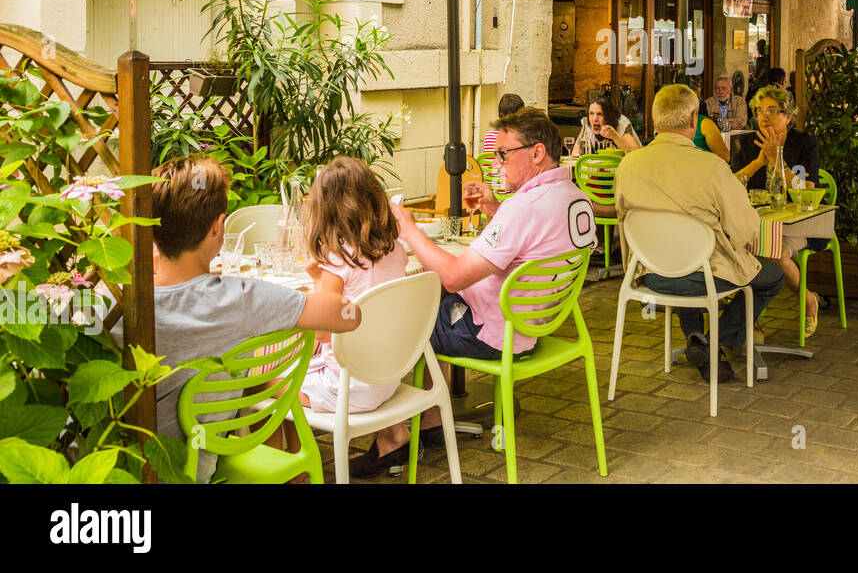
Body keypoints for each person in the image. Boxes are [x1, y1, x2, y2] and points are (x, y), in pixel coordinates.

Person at [383, 108, 596, 474]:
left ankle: (392, 439)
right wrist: (495, 209)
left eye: (503, 154)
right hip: (537, 322)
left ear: (536, 153)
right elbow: (535, 243)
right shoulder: (575, 197)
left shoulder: (524, 208)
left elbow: (452, 276)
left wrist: (409, 229)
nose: (497, 163)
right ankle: (434, 420)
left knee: (396, 314)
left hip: (494, 335)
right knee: (432, 298)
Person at [151, 157, 359, 481]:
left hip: (117, 468)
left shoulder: (117, 305)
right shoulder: (247, 298)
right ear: (218, 227)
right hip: (197, 469)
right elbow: (349, 316)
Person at [615, 85, 784, 381]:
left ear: (655, 120)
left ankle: (696, 338)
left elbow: (622, 218)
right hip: (702, 277)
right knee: (771, 276)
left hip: (649, 275)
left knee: (681, 255)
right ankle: (713, 343)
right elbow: (746, 229)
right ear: (695, 119)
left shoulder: (628, 165)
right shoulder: (711, 167)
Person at [298, 157, 410, 470]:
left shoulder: (337, 259)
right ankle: (395, 432)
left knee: (268, 383)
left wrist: (320, 279)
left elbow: (323, 330)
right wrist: (320, 279)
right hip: (387, 379)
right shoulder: (395, 250)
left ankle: (295, 471)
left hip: (348, 389)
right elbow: (361, 303)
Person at [730, 85, 822, 337]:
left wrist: (778, 162)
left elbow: (806, 189)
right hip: (755, 222)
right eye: (759, 111)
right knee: (728, 251)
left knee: (775, 253)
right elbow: (730, 185)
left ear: (788, 116)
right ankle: (745, 323)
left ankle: (809, 301)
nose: (764, 117)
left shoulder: (804, 143)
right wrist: (758, 162)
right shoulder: (746, 142)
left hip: (796, 222)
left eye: (772, 111)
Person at [571, 93, 641, 156]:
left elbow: (636, 151)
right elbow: (575, 153)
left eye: (599, 114)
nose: (594, 119)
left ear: (608, 116)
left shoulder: (621, 123)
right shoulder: (587, 124)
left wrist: (615, 137)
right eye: (591, 113)